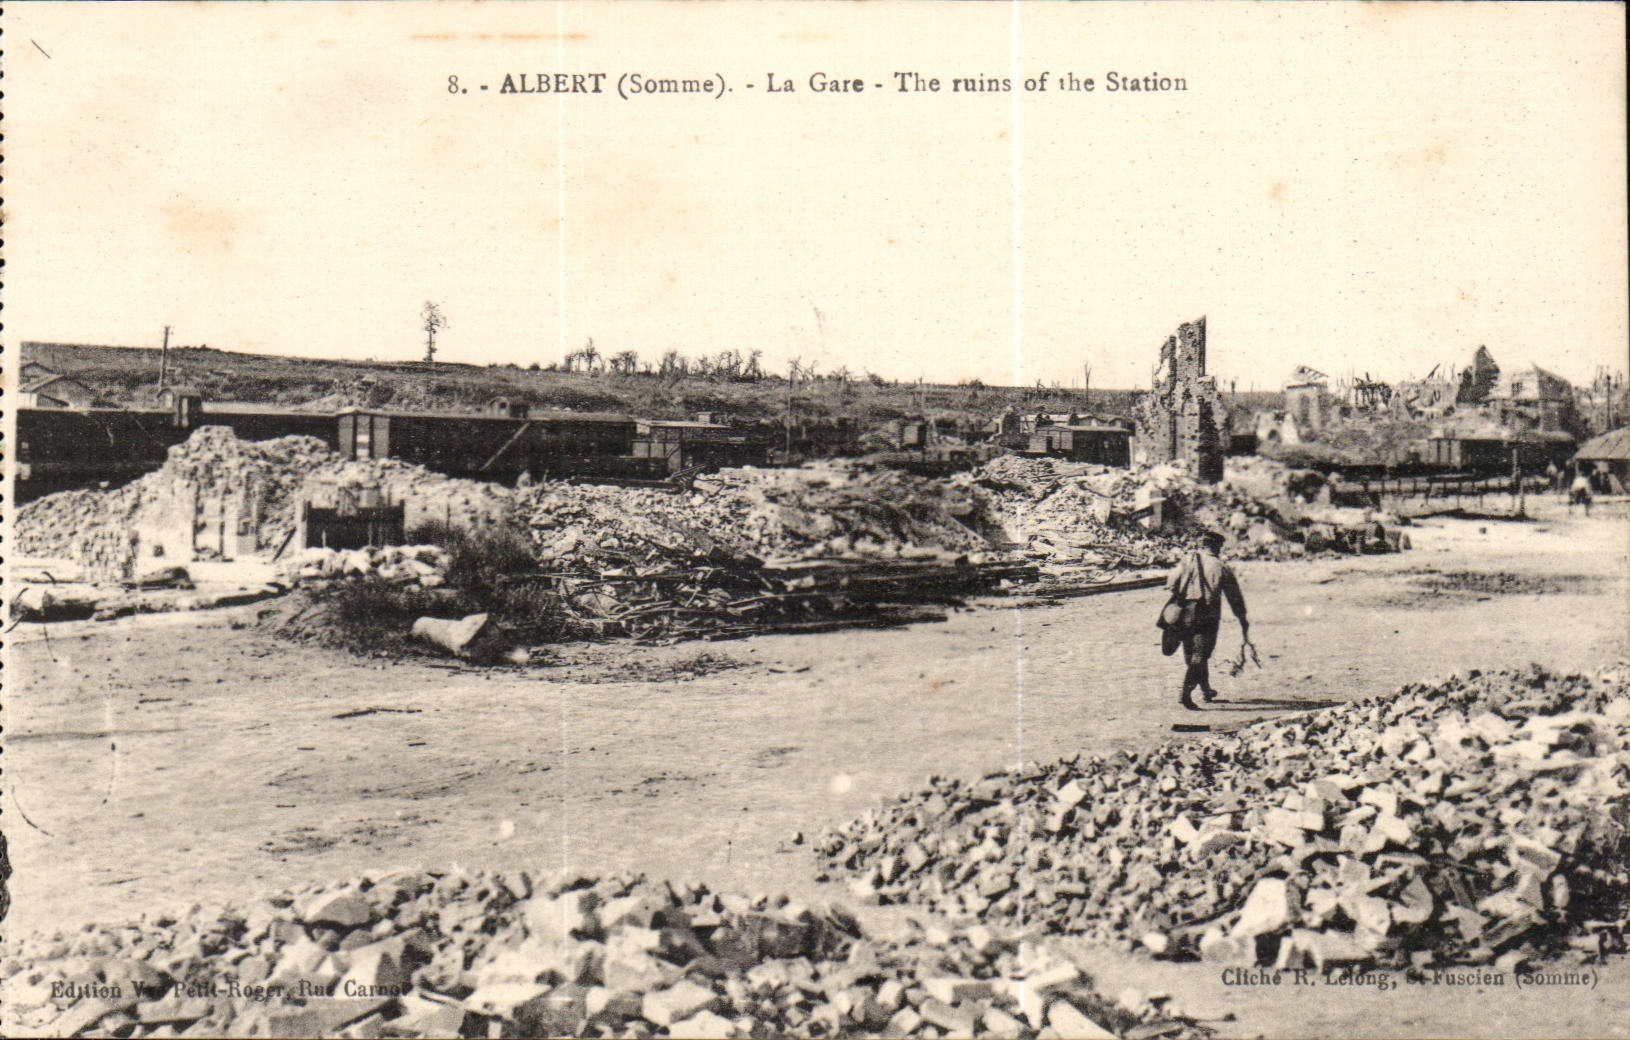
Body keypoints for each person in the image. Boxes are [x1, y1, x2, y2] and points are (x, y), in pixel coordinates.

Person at [1163, 530, 1249, 710]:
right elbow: (1234, 597)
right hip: (1207, 615)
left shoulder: (1188, 560)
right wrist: (1242, 618)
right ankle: (1185, 694)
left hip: (1185, 613)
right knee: (1200, 655)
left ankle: (1206, 690)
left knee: (1191, 654)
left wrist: (1187, 591)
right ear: (1216, 546)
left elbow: (1170, 583)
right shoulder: (1221, 566)